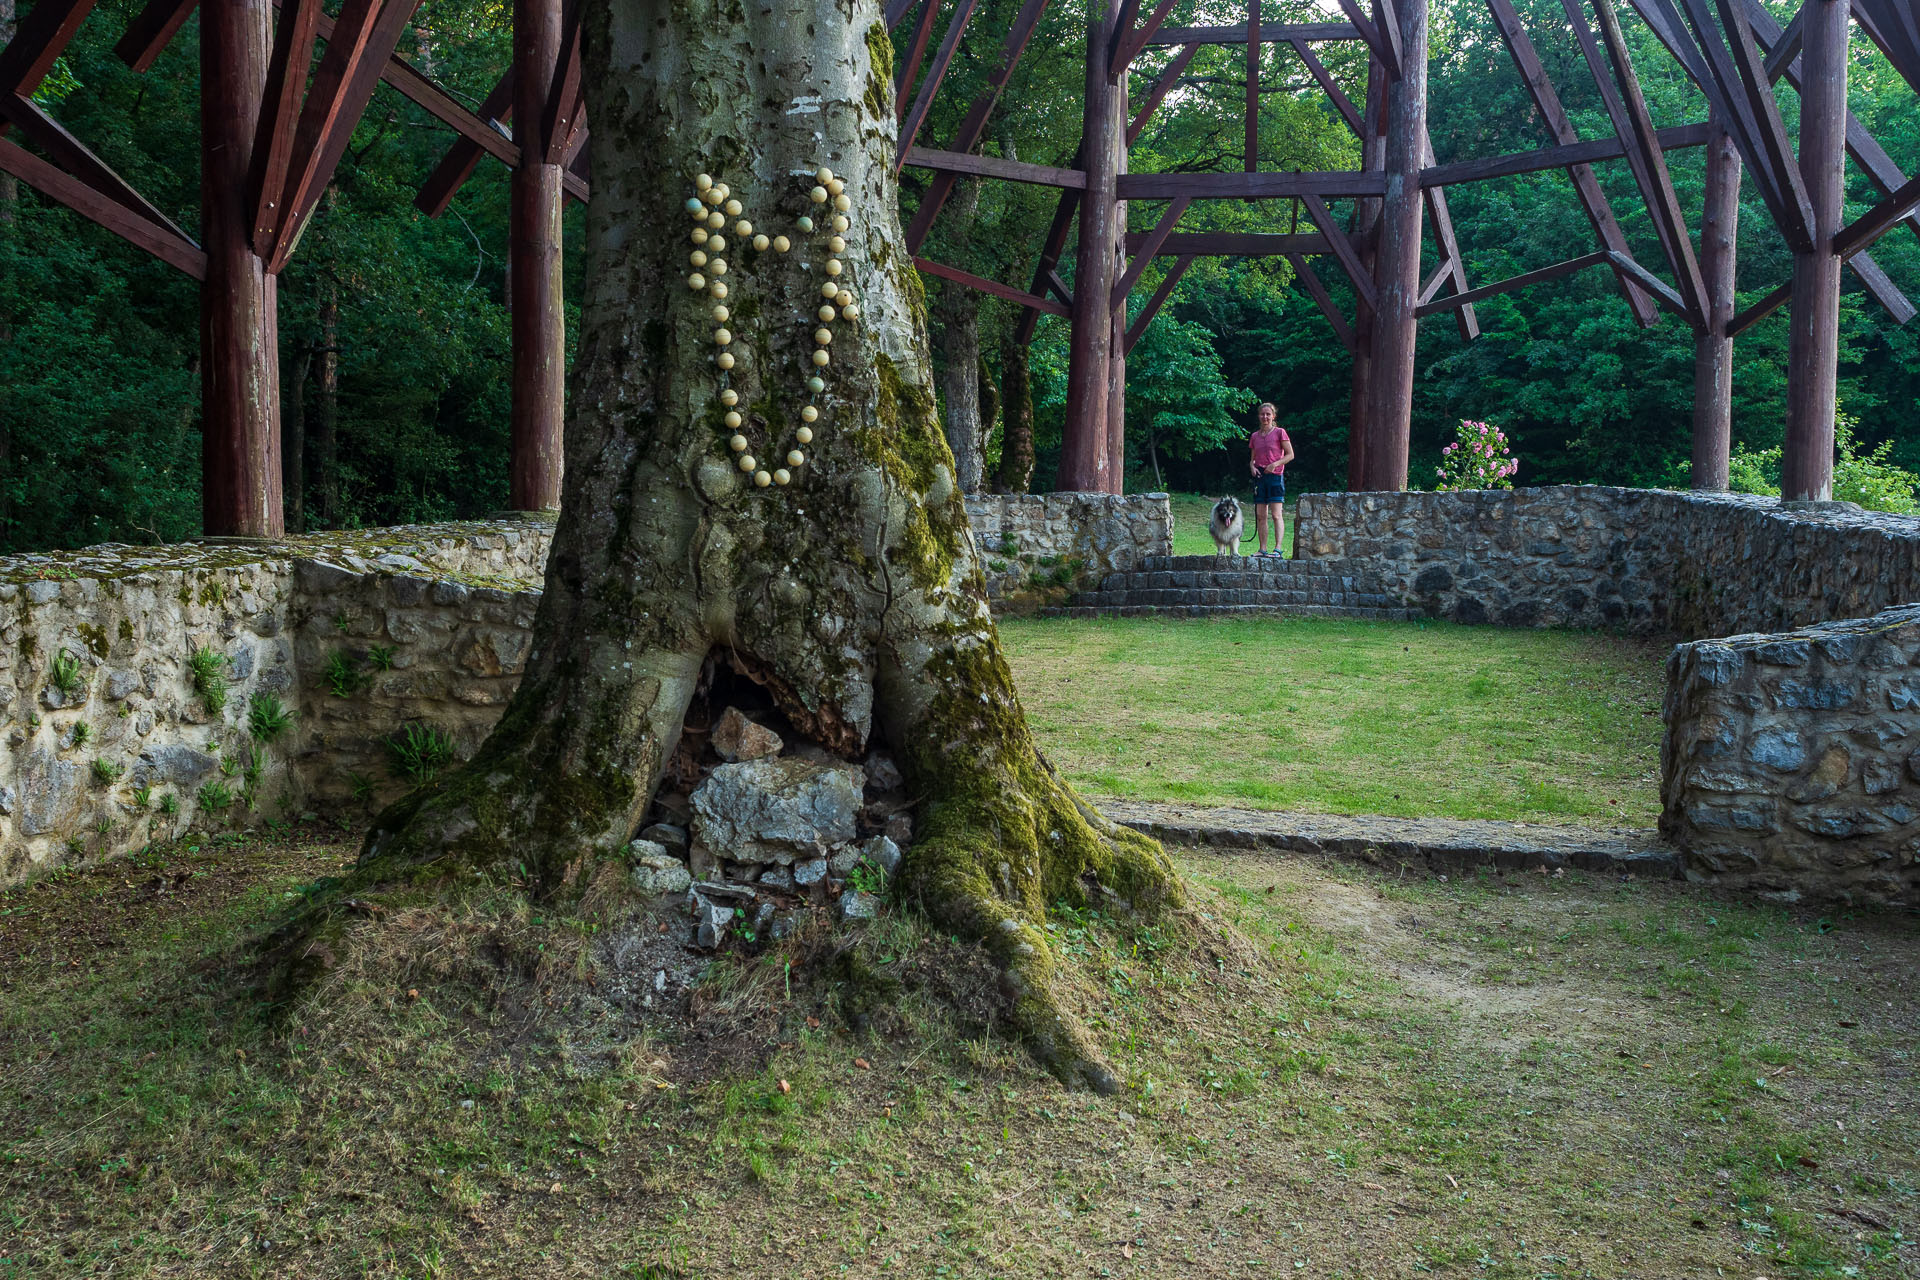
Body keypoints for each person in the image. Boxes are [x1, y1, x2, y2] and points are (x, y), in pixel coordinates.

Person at [1247, 402, 1294, 557]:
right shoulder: (1254, 436)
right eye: (1262, 414)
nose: (1265, 417)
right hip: (1260, 478)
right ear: (1259, 416)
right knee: (1261, 515)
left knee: (1276, 515)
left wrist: (1275, 464)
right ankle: (1262, 549)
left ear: (1273, 416)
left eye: (1268, 414)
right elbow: (1252, 459)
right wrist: (1252, 468)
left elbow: (1290, 455)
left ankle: (1278, 549)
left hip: (1275, 476)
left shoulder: (1280, 432)